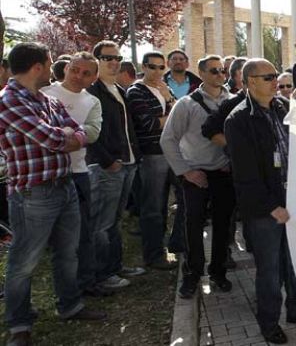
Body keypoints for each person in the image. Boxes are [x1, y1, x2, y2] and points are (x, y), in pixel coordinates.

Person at [0, 43, 107, 345]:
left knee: (67, 253)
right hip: (33, 194)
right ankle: (19, 324)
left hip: (65, 185)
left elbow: (78, 132)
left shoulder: (46, 100)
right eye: (49, 64)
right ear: (37, 66)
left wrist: (68, 137)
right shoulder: (8, 101)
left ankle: (70, 305)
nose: (53, 69)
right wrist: (68, 137)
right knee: (24, 261)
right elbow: (53, 137)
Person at [224, 59, 296, 343]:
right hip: (266, 209)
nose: (274, 81)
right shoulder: (239, 119)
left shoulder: (281, 107)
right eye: (268, 77)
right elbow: (245, 174)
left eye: (275, 76)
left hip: (293, 199)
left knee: (294, 263)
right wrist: (271, 206)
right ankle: (269, 323)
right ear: (249, 81)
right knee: (269, 270)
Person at [161, 55, 236, 299]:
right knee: (192, 226)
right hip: (195, 175)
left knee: (224, 227)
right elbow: (168, 139)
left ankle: (218, 272)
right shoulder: (186, 104)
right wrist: (186, 172)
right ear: (201, 74)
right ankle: (192, 274)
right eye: (214, 70)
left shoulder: (234, 101)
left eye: (222, 70)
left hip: (223, 174)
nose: (219, 75)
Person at [41, 53, 107, 298]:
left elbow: (92, 133)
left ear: (94, 77)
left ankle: (86, 281)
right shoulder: (46, 93)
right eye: (75, 70)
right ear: (66, 68)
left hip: (78, 172)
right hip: (45, 175)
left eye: (86, 73)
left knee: (83, 232)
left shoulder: (92, 101)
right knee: (54, 241)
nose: (79, 76)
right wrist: (70, 136)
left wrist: (58, 136)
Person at [87, 40, 145, 291]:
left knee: (115, 220)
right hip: (107, 167)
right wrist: (107, 160)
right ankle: (101, 275)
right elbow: (90, 134)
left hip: (127, 164)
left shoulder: (118, 89)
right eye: (107, 57)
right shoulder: (91, 91)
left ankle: (114, 266)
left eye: (117, 58)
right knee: (102, 224)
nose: (113, 62)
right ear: (96, 60)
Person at [126, 51, 179, 271]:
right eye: (152, 66)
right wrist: (171, 112)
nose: (157, 71)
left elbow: (179, 114)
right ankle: (154, 254)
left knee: (179, 204)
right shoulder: (136, 91)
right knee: (153, 207)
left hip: (173, 153)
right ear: (144, 67)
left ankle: (174, 246)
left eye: (161, 67)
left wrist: (168, 100)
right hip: (152, 154)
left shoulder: (165, 88)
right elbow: (148, 124)